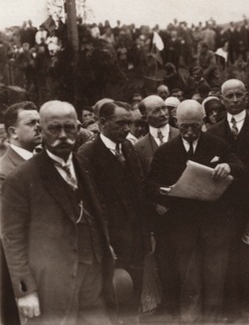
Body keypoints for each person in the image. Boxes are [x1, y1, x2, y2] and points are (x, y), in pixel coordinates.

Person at [1, 101, 113, 324]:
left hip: (92, 276)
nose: (63, 135)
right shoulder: (21, 177)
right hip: (50, 285)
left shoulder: (82, 164)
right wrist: (25, 291)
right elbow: (12, 239)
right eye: (54, 128)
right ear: (41, 130)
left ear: (77, 128)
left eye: (69, 127)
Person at [146, 100, 245, 322]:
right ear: (176, 123)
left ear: (203, 121)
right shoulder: (165, 151)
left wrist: (228, 167)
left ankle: (212, 321)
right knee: (189, 282)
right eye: (184, 127)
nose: (190, 132)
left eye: (194, 126)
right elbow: (150, 185)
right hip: (183, 229)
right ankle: (190, 321)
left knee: (215, 281)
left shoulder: (218, 145)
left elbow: (240, 169)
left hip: (216, 228)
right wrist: (165, 191)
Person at [207, 79, 249, 315]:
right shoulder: (213, 132)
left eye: (238, 95)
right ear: (222, 99)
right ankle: (230, 307)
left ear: (246, 97)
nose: (234, 100)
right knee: (229, 254)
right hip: (224, 205)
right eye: (229, 96)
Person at [78, 101, 151, 317]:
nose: (127, 128)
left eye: (129, 122)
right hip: (111, 241)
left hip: (136, 237)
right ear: (102, 123)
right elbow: (91, 203)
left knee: (134, 294)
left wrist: (147, 233)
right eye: (120, 123)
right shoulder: (87, 154)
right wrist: (104, 241)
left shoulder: (128, 147)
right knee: (114, 296)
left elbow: (140, 193)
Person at [0, 102, 41, 325]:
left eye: (40, 122)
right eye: (31, 123)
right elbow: (10, 234)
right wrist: (24, 287)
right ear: (12, 132)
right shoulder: (5, 172)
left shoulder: (42, 161)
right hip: (24, 269)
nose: (39, 128)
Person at [135, 95, 180, 174]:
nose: (163, 114)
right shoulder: (138, 147)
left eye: (164, 108)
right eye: (156, 111)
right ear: (145, 118)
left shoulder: (182, 136)